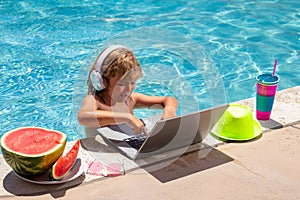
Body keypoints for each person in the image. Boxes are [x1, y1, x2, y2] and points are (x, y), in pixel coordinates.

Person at [77, 45, 178, 135]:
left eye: (132, 82)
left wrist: (169, 111)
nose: (129, 89)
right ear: (101, 81)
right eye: (121, 84)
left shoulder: (131, 100)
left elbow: (169, 100)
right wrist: (126, 117)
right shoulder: (95, 101)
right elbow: (83, 117)